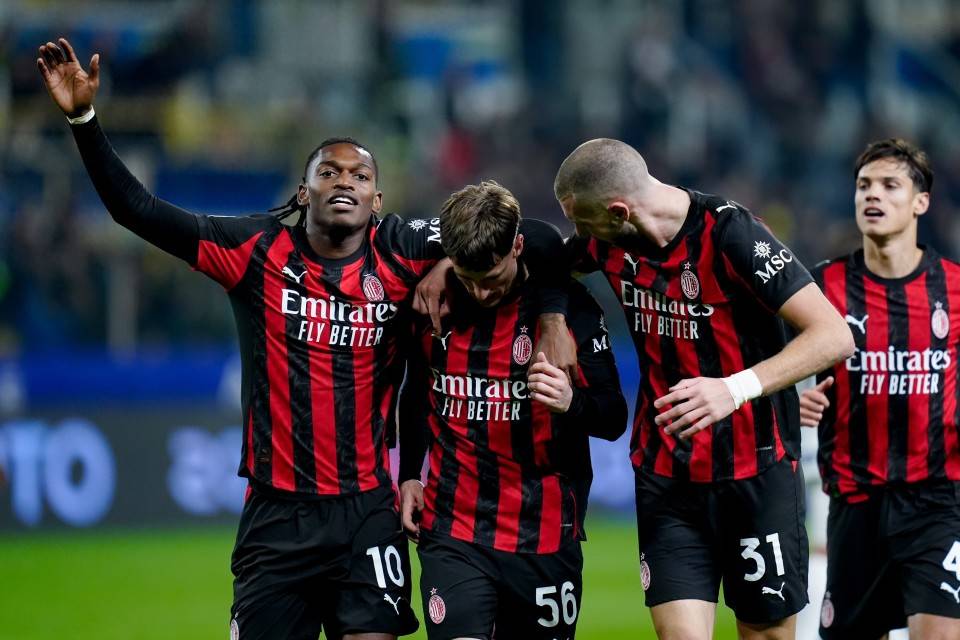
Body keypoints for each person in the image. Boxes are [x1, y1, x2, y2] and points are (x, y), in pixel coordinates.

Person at [37, 38, 570, 640]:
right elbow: (136, 209)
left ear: (377, 200)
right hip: (277, 515)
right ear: (303, 191)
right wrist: (84, 120)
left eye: (360, 175)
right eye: (329, 172)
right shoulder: (252, 250)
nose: (345, 181)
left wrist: (478, 275)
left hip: (368, 511)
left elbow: (532, 236)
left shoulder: (403, 246)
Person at [553, 138, 855, 640]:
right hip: (666, 476)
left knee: (764, 632)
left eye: (582, 222)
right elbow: (541, 259)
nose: (579, 235)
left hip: (756, 472)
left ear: (619, 211)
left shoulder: (732, 234)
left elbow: (833, 335)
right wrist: (550, 321)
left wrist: (733, 389)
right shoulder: (604, 241)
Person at [397, 180, 627, 640]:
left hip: (544, 534)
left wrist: (570, 402)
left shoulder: (573, 312)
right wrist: (409, 475)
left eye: (491, 279)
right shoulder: (435, 304)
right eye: (468, 279)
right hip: (454, 530)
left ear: (517, 247)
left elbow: (613, 417)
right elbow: (417, 392)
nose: (481, 293)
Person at [799, 139, 960, 640]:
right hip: (856, 504)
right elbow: (764, 360)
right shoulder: (820, 289)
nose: (873, 194)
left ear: (920, 202)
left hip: (938, 502)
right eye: (864, 185)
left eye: (890, 185)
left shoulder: (954, 289)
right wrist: (787, 399)